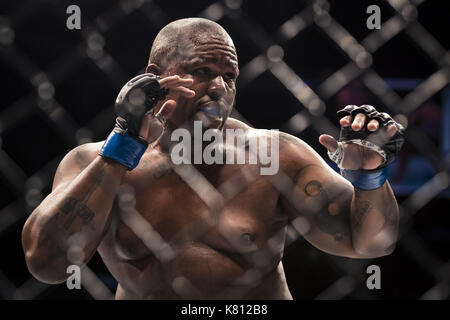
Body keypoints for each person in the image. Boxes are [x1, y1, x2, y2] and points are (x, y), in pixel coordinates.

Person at [21, 17, 404, 299]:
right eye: (202, 72)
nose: (219, 88)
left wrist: (369, 177)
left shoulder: (274, 155)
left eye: (230, 76)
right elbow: (47, 265)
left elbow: (370, 244)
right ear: (155, 77)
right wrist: (121, 148)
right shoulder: (93, 162)